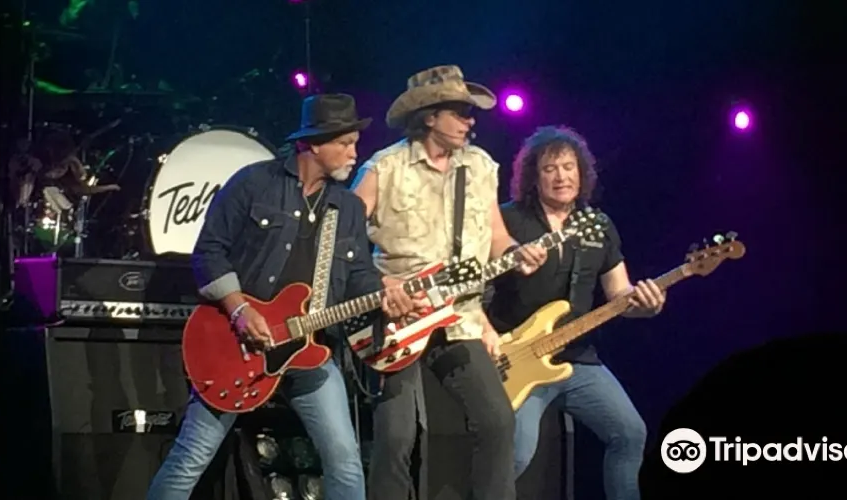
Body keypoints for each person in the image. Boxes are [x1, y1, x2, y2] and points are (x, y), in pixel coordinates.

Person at [146, 93, 418, 500]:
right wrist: (239, 310)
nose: (354, 153)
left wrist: (385, 293)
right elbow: (209, 252)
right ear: (313, 144)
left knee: (345, 462)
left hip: (310, 351)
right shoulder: (253, 183)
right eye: (345, 143)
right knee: (192, 457)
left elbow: (358, 275)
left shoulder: (346, 207)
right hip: (238, 347)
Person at [350, 65, 549, 500]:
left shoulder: (480, 166)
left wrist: (517, 253)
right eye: (459, 112)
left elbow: (496, 236)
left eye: (469, 113)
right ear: (428, 116)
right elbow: (343, 243)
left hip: (460, 316)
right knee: (396, 436)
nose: (469, 121)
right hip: (397, 318)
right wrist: (380, 284)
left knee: (497, 421)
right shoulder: (384, 168)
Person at [484, 125, 666, 500]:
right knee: (516, 455)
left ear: (582, 173)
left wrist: (647, 304)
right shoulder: (508, 220)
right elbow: (473, 287)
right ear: (534, 176)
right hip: (518, 360)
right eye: (550, 168)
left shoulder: (597, 225)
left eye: (569, 167)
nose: (561, 176)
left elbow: (620, 293)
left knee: (630, 433)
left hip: (577, 358)